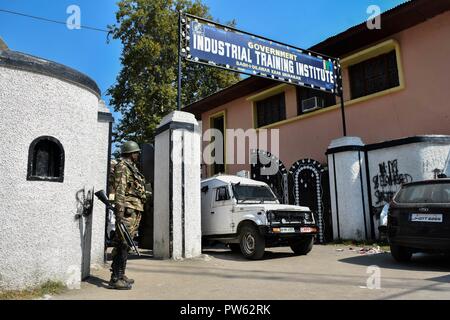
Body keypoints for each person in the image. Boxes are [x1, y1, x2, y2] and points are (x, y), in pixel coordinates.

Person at [109, 141, 147, 290]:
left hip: (134, 209)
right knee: (122, 243)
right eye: (136, 152)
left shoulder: (132, 168)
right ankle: (115, 278)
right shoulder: (122, 166)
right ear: (131, 153)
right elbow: (119, 189)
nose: (138, 155)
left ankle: (121, 274)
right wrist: (119, 211)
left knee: (126, 243)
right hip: (126, 210)